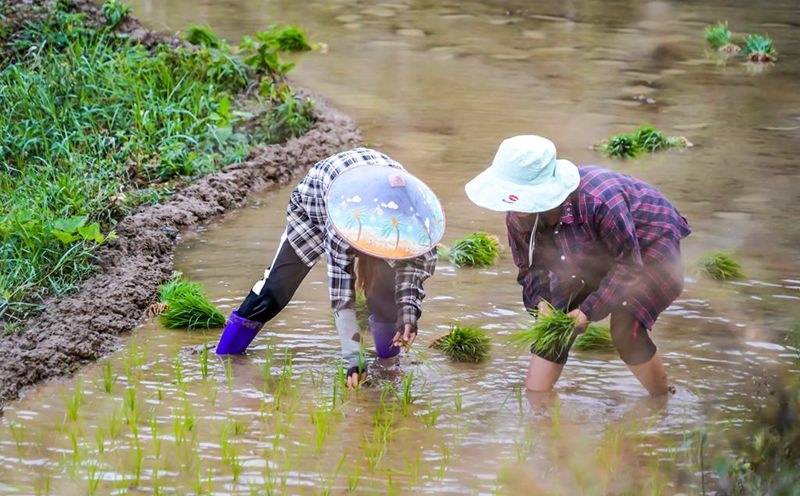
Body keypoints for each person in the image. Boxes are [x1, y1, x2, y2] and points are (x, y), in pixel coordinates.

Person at [465, 135, 690, 396]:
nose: (515, 209)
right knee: (554, 327)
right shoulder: (518, 215)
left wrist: (588, 311)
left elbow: (629, 265)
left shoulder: (600, 200)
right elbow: (530, 269)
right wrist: (541, 304)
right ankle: (536, 404)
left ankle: (662, 400)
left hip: (649, 245)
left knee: (626, 328)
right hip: (589, 247)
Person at [216, 148, 445, 389]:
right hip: (317, 206)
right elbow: (341, 296)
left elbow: (411, 278)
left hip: (376, 203)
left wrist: (408, 317)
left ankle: (389, 369)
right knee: (274, 291)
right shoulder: (343, 224)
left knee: (386, 301)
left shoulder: (420, 229)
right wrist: (353, 358)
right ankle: (225, 357)